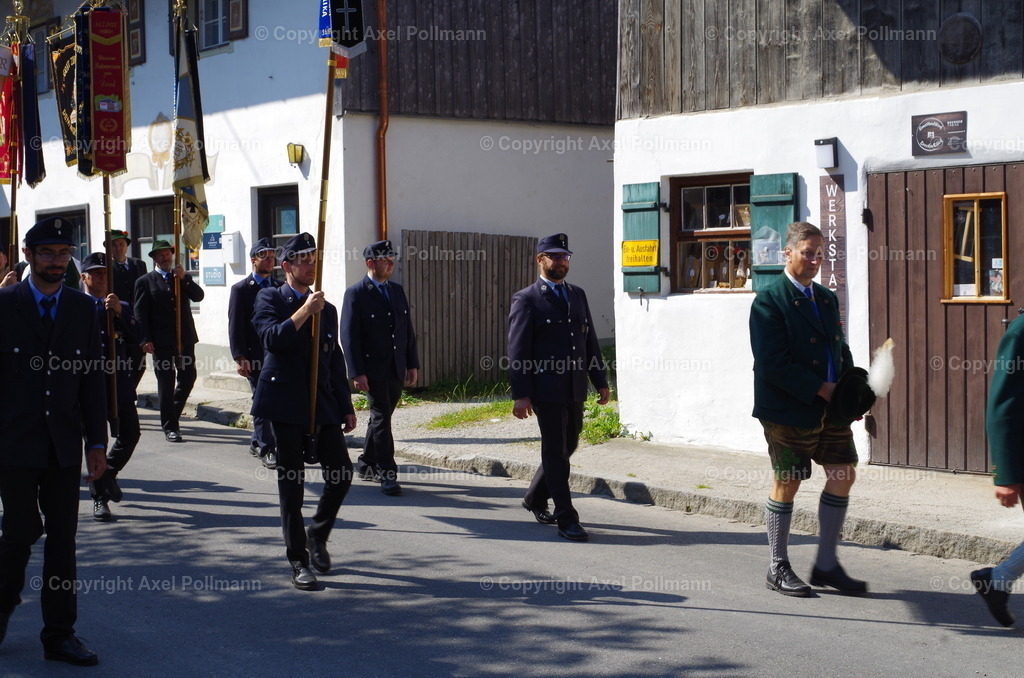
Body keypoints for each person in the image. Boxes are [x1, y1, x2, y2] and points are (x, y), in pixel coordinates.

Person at [0, 217, 107, 666]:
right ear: (28, 256)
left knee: (63, 541)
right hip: (14, 445)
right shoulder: (4, 304)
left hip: (63, 445)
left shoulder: (84, 309)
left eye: (64, 254)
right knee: (20, 533)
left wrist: (97, 442)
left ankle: (60, 635)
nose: (57, 262)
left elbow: (92, 382)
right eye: (47, 254)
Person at [749, 221, 866, 597]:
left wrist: (849, 394)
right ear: (788, 253)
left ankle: (827, 564)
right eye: (808, 253)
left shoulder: (826, 298)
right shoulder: (769, 300)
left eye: (819, 254)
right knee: (789, 481)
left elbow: (839, 350)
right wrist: (821, 388)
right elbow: (772, 362)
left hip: (831, 409)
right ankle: (778, 566)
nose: (815, 260)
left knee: (843, 473)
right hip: (788, 410)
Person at [251, 232, 357, 591]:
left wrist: (346, 404)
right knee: (292, 486)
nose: (311, 265)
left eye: (314, 259)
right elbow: (272, 340)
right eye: (304, 259)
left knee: (342, 473)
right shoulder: (270, 297)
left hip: (321, 402)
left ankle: (318, 534)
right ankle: (298, 561)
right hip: (284, 403)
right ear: (287, 266)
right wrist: (303, 312)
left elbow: (333, 357)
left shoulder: (326, 308)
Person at [508, 233, 609, 542]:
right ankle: (567, 517)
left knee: (568, 446)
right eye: (555, 256)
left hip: (575, 386)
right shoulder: (527, 299)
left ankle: (535, 496)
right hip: (546, 389)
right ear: (541, 260)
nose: (562, 262)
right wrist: (521, 394)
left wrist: (601, 382)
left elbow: (589, 341)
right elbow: (518, 350)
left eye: (565, 257)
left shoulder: (577, 294)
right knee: (555, 450)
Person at [341, 239, 419, 496]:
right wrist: (356, 372)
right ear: (370, 263)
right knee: (382, 415)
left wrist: (412, 364)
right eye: (385, 259)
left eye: (391, 259)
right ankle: (387, 472)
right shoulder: (356, 293)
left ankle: (366, 462)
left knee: (381, 417)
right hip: (372, 368)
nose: (390, 263)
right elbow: (349, 336)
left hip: (396, 367)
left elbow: (406, 330)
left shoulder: (396, 291)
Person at [80, 252, 142, 523]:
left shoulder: (120, 304)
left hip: (118, 381)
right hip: (88, 384)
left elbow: (138, 337)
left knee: (131, 434)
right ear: (84, 277)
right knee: (96, 442)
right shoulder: (76, 305)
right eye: (96, 273)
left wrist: (119, 312)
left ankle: (108, 474)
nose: (102, 277)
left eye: (106, 273)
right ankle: (99, 499)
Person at [971, 314, 1024, 626]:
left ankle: (998, 581)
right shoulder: (1021, 332)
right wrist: (1004, 474)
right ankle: (998, 580)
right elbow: (1002, 405)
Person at [134, 239, 205, 443]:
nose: (165, 258)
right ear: (155, 258)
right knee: (166, 382)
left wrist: (185, 279)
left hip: (184, 338)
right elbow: (140, 314)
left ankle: (171, 413)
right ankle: (170, 426)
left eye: (168, 254)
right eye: (161, 255)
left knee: (188, 377)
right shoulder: (145, 281)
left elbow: (199, 296)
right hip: (161, 340)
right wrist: (145, 338)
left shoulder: (181, 277)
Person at [228, 237, 281, 469]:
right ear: (253, 260)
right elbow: (235, 325)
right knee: (262, 401)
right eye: (264, 256)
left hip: (277, 355)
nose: (269, 260)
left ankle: (256, 440)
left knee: (275, 400)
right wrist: (240, 357)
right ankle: (267, 448)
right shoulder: (241, 290)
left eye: (272, 256)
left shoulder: (279, 287)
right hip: (254, 355)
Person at [105, 229, 148, 389]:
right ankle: (123, 399)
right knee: (121, 363)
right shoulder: (107, 268)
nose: (118, 248)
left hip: (137, 321)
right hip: (117, 320)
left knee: (139, 363)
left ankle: (128, 394)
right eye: (114, 245)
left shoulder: (138, 265)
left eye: (121, 244)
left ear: (126, 246)